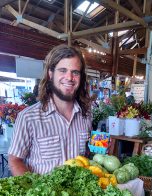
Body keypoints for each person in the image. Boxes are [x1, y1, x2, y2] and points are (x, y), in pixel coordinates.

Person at [8, 45, 92, 176]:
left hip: (79, 195)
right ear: (50, 73)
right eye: (63, 70)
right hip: (45, 193)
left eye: (75, 72)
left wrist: (99, 149)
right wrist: (35, 191)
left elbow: (86, 156)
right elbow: (15, 160)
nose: (69, 78)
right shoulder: (28, 117)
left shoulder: (85, 115)